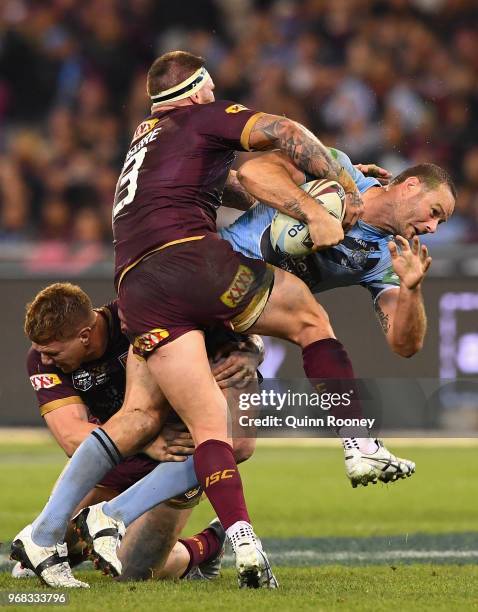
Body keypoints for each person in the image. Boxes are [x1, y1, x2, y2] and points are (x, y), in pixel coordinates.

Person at [13, 50, 372, 590]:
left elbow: (225, 187)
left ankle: (44, 533)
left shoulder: (147, 137)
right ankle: (359, 442)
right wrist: (339, 188)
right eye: (211, 90)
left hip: (136, 282)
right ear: (199, 90)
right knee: (307, 320)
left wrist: (304, 190)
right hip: (187, 259)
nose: (217, 98)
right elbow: (284, 130)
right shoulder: (201, 115)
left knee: (180, 422)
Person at [13, 283, 263, 584]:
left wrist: (251, 349)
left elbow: (232, 320)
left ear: (84, 335)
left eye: (53, 351)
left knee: (134, 570)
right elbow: (70, 436)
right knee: (27, 571)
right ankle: (95, 524)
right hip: (118, 458)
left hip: (177, 455)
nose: (46, 359)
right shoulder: (40, 358)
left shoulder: (139, 314)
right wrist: (145, 443)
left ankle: (206, 545)